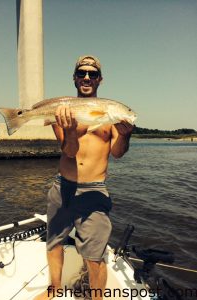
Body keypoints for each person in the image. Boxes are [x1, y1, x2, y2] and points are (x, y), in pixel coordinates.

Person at [34, 55, 133, 300]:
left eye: (92, 73)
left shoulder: (109, 114)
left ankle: (97, 298)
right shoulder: (64, 110)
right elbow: (69, 152)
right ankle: (54, 288)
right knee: (54, 241)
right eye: (82, 73)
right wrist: (69, 131)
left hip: (94, 192)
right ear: (75, 78)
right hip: (63, 187)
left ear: (100, 79)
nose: (87, 77)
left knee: (94, 255)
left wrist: (126, 135)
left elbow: (118, 153)